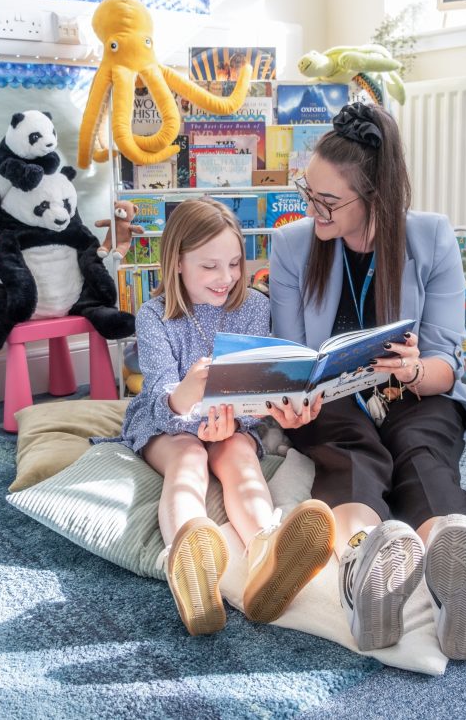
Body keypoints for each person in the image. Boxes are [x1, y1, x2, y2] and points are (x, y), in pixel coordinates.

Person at [266, 103, 466, 660]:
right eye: (306, 191)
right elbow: (294, 357)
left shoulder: (430, 238)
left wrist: (411, 370)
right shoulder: (292, 245)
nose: (311, 208)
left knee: (423, 450)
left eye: (328, 200)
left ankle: (456, 560)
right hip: (330, 401)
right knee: (351, 453)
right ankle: (367, 560)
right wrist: (293, 399)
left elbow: (447, 364)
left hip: (411, 391)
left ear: (376, 198)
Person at [113, 197, 335, 637]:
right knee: (189, 459)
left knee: (239, 459)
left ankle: (268, 553)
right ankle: (189, 558)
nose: (227, 277)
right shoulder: (155, 315)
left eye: (234, 263)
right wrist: (187, 395)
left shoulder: (254, 306)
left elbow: (258, 387)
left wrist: (244, 419)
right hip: (167, 422)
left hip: (232, 423)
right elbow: (159, 397)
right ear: (177, 262)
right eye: (210, 266)